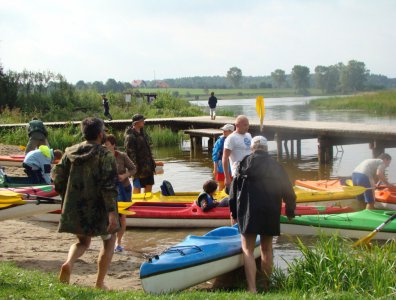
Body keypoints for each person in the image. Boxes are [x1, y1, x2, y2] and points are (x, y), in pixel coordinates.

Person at [52, 117, 120, 290]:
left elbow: (57, 176)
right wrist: (112, 213)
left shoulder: (69, 152)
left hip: (75, 206)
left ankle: (69, 263)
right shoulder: (105, 155)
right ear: (99, 134)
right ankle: (99, 283)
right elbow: (109, 186)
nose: (105, 133)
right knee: (109, 240)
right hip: (99, 208)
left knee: (83, 242)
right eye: (104, 130)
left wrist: (66, 196)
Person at [229, 135, 296, 293]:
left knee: (248, 250)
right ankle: (266, 285)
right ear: (266, 148)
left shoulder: (243, 163)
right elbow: (288, 191)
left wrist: (233, 212)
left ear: (252, 148)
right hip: (270, 210)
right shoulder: (276, 165)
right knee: (267, 249)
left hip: (247, 211)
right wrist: (290, 211)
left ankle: (252, 288)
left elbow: (233, 192)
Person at [104, 134, 136, 253]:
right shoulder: (101, 157)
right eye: (103, 145)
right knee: (111, 216)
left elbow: (134, 169)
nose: (105, 147)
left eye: (107, 145)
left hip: (124, 188)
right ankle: (109, 242)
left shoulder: (122, 156)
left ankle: (119, 243)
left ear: (113, 145)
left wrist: (125, 175)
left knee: (122, 216)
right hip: (109, 189)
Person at [124, 114, 156, 194]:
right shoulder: (130, 136)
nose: (144, 122)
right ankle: (136, 204)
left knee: (149, 185)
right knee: (137, 188)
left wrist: (153, 163)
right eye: (142, 121)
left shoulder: (143, 134)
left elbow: (148, 151)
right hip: (138, 169)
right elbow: (130, 153)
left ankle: (147, 204)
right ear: (136, 123)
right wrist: (134, 168)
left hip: (148, 167)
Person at [222, 115, 252, 191]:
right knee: (241, 196)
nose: (247, 127)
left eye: (248, 124)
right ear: (237, 125)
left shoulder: (249, 135)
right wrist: (227, 177)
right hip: (238, 172)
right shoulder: (231, 138)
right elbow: (225, 158)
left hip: (250, 171)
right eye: (245, 125)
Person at [212, 124, 235, 191]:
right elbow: (215, 155)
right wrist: (215, 168)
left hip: (232, 166)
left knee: (233, 185)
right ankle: (221, 199)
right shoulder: (220, 141)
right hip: (221, 166)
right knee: (221, 185)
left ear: (231, 132)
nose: (223, 132)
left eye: (225, 130)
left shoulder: (236, 139)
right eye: (223, 130)